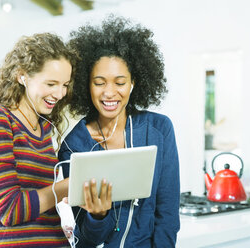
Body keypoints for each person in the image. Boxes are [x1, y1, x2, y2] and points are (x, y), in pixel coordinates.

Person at [58, 16, 180, 247]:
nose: (109, 93)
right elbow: (83, 240)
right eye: (99, 82)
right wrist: (98, 216)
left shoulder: (158, 130)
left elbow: (167, 215)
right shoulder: (74, 146)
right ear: (87, 84)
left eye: (120, 82)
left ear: (134, 82)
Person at [0, 33, 76, 248]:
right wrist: (68, 187)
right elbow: (9, 209)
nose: (60, 93)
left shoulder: (43, 127)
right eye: (51, 83)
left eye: (65, 84)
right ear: (22, 76)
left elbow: (42, 201)